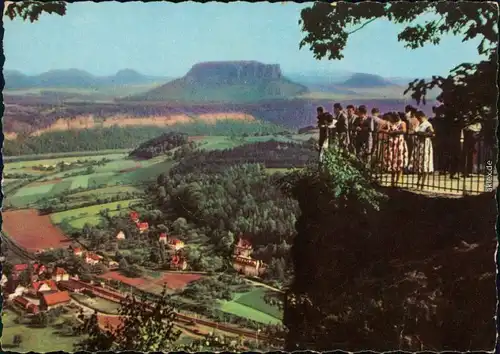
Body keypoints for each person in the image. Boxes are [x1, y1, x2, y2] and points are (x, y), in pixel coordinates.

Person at [384, 112, 408, 186]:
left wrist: (394, 132)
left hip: (399, 143)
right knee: (392, 160)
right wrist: (387, 131)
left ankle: (398, 179)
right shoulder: (390, 123)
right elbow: (383, 129)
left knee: (399, 160)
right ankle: (392, 179)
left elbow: (404, 130)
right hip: (392, 143)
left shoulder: (402, 123)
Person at [413, 111, 435, 189]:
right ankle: (419, 181)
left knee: (424, 163)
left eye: (419, 118)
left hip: (425, 145)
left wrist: (420, 133)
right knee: (420, 163)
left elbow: (431, 133)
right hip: (420, 145)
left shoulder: (427, 124)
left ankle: (423, 182)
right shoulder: (420, 124)